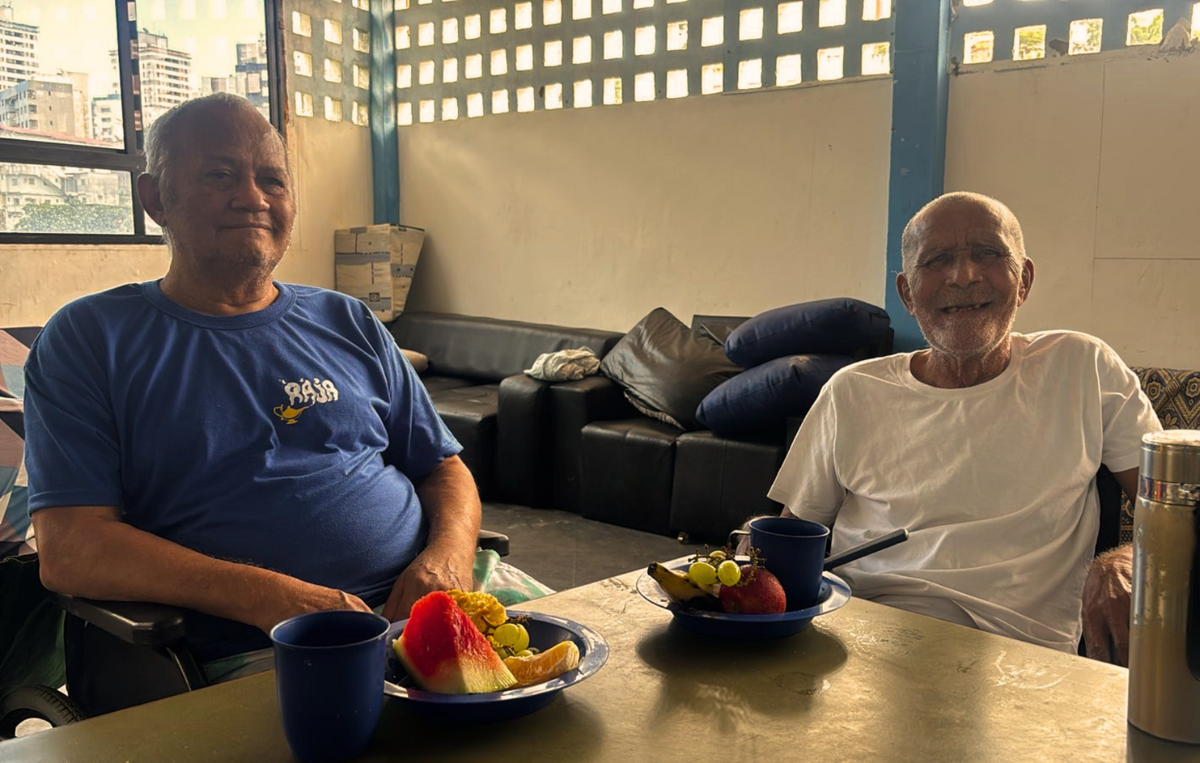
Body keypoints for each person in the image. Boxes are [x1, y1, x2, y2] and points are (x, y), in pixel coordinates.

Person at [23, 93, 482, 680]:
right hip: (254, 650)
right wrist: (274, 599)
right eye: (220, 175)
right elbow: (71, 548)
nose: (253, 198)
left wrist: (447, 559)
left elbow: (443, 467)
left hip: (438, 604)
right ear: (155, 199)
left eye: (273, 180)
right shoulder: (90, 338)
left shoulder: (348, 320)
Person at [768, 191, 1159, 662]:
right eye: (937, 260)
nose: (964, 276)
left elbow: (1178, 508)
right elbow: (792, 535)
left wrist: (1130, 560)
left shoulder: (1083, 367)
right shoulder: (852, 391)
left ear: (1024, 280)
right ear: (907, 294)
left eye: (988, 253)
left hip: (1020, 659)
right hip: (863, 640)